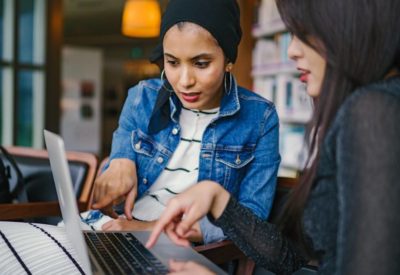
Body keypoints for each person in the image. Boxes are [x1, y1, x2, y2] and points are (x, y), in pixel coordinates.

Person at [147, 0, 400, 274]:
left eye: (303, 33)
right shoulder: (374, 105)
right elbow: (293, 262)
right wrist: (218, 199)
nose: (292, 51)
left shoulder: (373, 111)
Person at [89, 0, 280, 245]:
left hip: (180, 251)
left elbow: (251, 220)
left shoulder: (260, 118)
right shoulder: (142, 97)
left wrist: (146, 228)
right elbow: (119, 157)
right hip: (114, 229)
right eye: (172, 62)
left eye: (201, 64)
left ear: (228, 60)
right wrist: (119, 159)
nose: (184, 81)